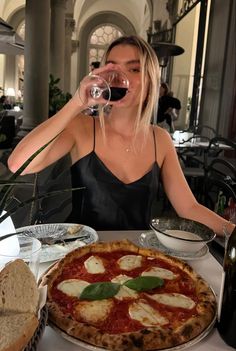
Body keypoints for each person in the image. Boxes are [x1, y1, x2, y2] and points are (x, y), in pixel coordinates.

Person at [8, 35, 235, 235]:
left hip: (134, 262)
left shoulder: (160, 139)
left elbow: (189, 208)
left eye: (134, 69)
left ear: (150, 79)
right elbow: (19, 164)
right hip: (79, 259)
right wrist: (76, 102)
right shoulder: (83, 127)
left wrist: (232, 232)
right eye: (112, 68)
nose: (120, 76)